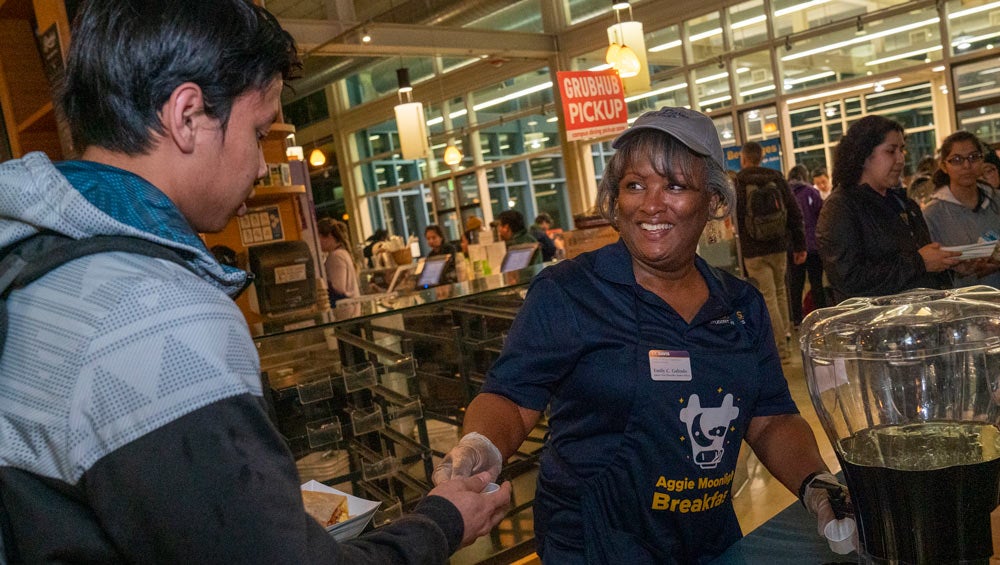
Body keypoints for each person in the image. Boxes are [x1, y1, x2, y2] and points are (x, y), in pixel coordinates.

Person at [0, 1, 510, 562]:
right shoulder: (156, 312)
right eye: (258, 131)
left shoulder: (35, 261)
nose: (264, 165)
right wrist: (441, 521)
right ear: (188, 115)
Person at [432, 107, 842, 563]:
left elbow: (770, 417)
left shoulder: (740, 305)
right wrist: (480, 445)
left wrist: (816, 485)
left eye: (675, 185)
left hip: (710, 542)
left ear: (712, 200)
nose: (650, 204)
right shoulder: (570, 292)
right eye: (634, 185)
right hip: (597, 545)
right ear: (615, 198)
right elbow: (511, 396)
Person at [816, 115, 958, 303]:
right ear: (864, 155)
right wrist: (919, 262)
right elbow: (848, 279)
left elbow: (920, 260)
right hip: (875, 325)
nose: (900, 159)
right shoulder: (840, 208)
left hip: (920, 317)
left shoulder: (904, 203)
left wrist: (949, 265)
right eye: (891, 151)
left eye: (902, 150)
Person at [735, 141, 807, 359]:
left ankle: (781, 350)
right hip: (778, 245)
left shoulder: (740, 181)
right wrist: (799, 244)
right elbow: (795, 212)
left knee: (768, 297)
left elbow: (737, 217)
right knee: (780, 292)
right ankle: (786, 338)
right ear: (761, 157)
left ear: (744, 158)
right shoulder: (776, 178)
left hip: (754, 250)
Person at [922, 131, 1000, 288]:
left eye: (974, 157)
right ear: (944, 166)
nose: (967, 166)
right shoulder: (932, 214)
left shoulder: (996, 200)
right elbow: (928, 268)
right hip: (961, 302)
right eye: (956, 160)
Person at [785, 164, 826, 327]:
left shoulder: (785, 194)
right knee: (816, 283)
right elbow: (821, 217)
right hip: (814, 247)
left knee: (796, 284)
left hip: (794, 247)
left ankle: (796, 318)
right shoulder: (812, 192)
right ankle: (822, 315)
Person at [318, 217, 360, 302]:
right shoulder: (342, 253)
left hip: (343, 310)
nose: (318, 241)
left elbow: (338, 288)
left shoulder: (336, 256)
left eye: (319, 236)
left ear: (329, 236)